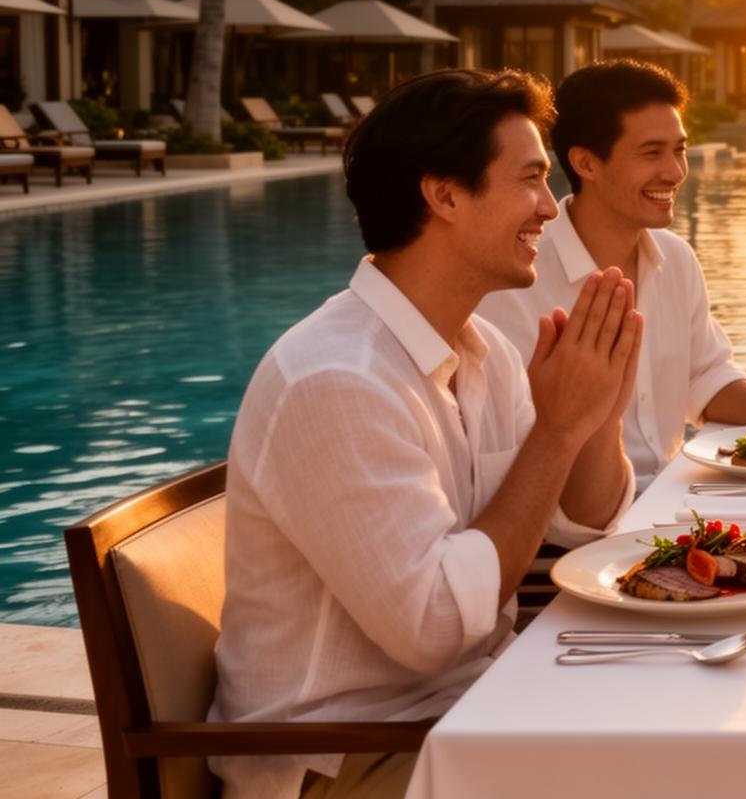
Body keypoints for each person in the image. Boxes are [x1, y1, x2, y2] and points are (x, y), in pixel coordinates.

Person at [212, 69, 641, 799]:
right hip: (343, 761)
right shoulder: (337, 381)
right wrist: (558, 430)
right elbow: (435, 629)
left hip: (468, 713)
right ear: (443, 195)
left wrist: (597, 416)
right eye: (531, 180)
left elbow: (586, 524)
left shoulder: (481, 353)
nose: (549, 207)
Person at [477, 59, 746, 491]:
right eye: (652, 153)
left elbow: (706, 379)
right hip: (572, 530)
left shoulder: (675, 258)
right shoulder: (516, 280)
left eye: (679, 149)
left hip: (677, 500)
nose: (675, 171)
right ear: (586, 163)